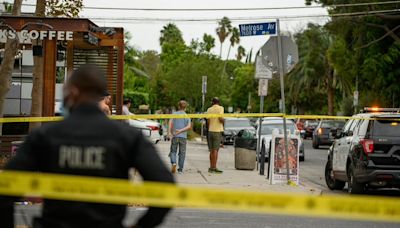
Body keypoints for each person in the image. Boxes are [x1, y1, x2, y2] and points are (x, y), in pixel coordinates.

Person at [0, 65, 175, 228]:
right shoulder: (127, 137)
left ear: (73, 92)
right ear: (101, 95)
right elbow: (165, 186)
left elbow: (6, 188)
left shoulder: (45, 136)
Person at [168, 100, 191, 174]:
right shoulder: (187, 116)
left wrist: (170, 133)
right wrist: (181, 130)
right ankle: (180, 169)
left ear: (178, 106)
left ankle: (173, 163)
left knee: (173, 151)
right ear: (185, 107)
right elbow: (189, 126)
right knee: (182, 153)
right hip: (183, 137)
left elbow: (170, 124)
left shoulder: (174, 114)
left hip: (175, 136)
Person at [206, 97, 224, 174]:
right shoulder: (221, 108)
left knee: (211, 150)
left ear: (212, 102)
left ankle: (211, 167)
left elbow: (208, 120)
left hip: (210, 130)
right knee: (216, 150)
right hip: (217, 131)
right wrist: (223, 121)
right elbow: (220, 118)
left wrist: (209, 128)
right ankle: (214, 167)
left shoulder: (209, 109)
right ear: (218, 102)